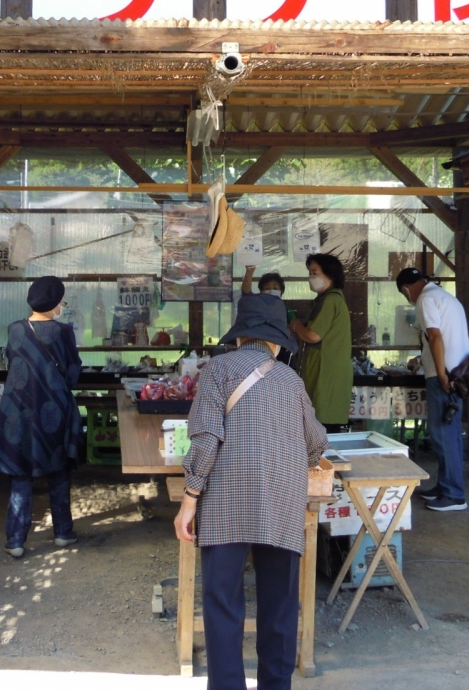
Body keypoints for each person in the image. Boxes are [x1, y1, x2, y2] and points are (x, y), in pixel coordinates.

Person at [175, 293, 328, 690]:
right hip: (281, 502)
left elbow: (205, 439)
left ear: (240, 336)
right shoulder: (292, 380)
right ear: (277, 341)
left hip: (225, 502)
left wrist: (189, 500)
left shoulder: (217, 369)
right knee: (280, 606)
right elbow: (316, 444)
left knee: (223, 603)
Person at [0, 275, 84, 558]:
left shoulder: (15, 329)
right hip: (53, 409)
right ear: (54, 303)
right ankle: (63, 533)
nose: (62, 306)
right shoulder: (62, 331)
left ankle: (16, 541)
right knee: (58, 471)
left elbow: (15, 364)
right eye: (62, 301)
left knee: (20, 472)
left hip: (18, 411)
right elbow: (73, 371)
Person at [396, 267, 469, 512]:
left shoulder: (425, 299)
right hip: (459, 373)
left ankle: (454, 494)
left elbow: (436, 336)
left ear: (406, 289)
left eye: (404, 294)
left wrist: (440, 373)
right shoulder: (445, 297)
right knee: (449, 434)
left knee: (443, 434)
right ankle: (445, 486)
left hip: (445, 376)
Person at [290, 253, 351, 429]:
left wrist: (296, 326)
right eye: (309, 273)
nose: (311, 277)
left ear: (329, 274)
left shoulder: (331, 300)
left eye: (314, 273)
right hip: (326, 372)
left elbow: (313, 335)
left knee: (322, 427)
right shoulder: (328, 299)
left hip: (325, 374)